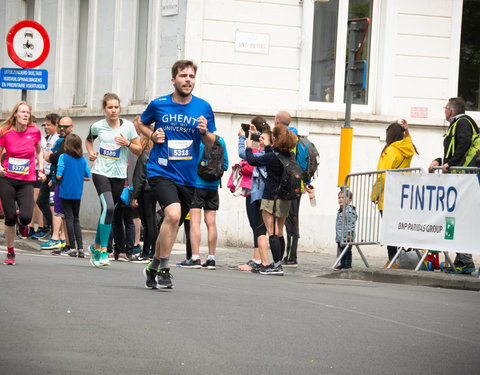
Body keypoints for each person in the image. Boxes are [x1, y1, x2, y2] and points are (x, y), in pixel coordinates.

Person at [139, 59, 216, 289]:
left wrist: (204, 131)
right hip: (160, 169)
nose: (188, 80)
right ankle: (164, 268)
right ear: (174, 80)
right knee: (172, 215)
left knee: (172, 224)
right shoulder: (159, 104)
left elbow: (211, 141)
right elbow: (140, 123)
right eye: (183, 76)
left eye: (191, 76)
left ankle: (152, 267)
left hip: (188, 176)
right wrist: (152, 135)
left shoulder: (203, 107)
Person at [85, 93, 142, 267]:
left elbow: (139, 150)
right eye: (110, 107)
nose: (113, 110)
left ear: (120, 108)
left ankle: (95, 247)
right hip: (101, 173)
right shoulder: (97, 126)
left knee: (108, 211)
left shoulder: (128, 127)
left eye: (116, 107)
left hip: (119, 176)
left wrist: (127, 143)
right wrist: (92, 152)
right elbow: (88, 140)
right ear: (104, 109)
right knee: (109, 207)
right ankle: (103, 250)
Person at [428, 97, 477, 274]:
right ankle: (462, 260)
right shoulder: (457, 124)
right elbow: (454, 151)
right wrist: (440, 161)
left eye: (445, 108)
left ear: (451, 110)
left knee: (458, 220)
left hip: (465, 179)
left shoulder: (462, 122)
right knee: (455, 220)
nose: (444, 111)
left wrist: (452, 162)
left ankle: (465, 261)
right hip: (460, 177)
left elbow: (463, 144)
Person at [245, 125, 298, 275]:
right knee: (279, 231)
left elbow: (252, 160)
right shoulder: (288, 155)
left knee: (272, 231)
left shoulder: (272, 156)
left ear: (274, 139)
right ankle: (278, 263)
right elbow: (271, 154)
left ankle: (276, 266)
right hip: (285, 197)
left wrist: (249, 147)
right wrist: (266, 144)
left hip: (271, 196)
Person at [0, 102, 46, 265]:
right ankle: (11, 253)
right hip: (7, 179)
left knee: (26, 217)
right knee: (9, 217)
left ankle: (22, 221)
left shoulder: (34, 131)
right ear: (15, 115)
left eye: (28, 112)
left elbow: (39, 152)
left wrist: (41, 170)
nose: (26, 115)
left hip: (26, 180)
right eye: (23, 112)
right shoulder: (5, 131)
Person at [372, 119, 418, 268]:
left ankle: (392, 259)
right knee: (399, 229)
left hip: (388, 196)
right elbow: (409, 144)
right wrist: (408, 131)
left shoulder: (390, 150)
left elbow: (382, 175)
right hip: (402, 196)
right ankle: (399, 258)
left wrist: (375, 195)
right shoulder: (407, 149)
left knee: (389, 230)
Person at [180, 135, 228, 269]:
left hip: (196, 185)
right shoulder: (220, 140)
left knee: (195, 221)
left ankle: (195, 257)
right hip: (213, 186)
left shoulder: (197, 140)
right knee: (211, 222)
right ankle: (211, 258)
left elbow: (189, 163)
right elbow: (225, 165)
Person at [237, 118, 271, 272]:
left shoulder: (260, 148)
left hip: (256, 190)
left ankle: (258, 259)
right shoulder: (267, 148)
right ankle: (260, 258)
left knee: (257, 226)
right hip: (262, 190)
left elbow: (243, 154)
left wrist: (242, 138)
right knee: (262, 227)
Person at [41, 116, 75, 253]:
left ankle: (59, 239)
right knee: (57, 209)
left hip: (65, 182)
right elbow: (48, 157)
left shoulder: (72, 141)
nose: (62, 129)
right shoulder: (59, 141)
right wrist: (54, 156)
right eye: (60, 126)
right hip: (55, 179)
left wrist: (55, 156)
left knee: (60, 211)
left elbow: (55, 157)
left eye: (65, 127)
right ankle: (62, 240)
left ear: (71, 127)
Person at [55, 134, 91, 258]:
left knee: (68, 218)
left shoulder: (63, 157)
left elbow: (59, 175)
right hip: (77, 192)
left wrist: (60, 175)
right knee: (76, 219)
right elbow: (88, 176)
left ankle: (71, 247)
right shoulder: (82, 159)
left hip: (65, 191)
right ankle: (80, 248)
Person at [33, 113, 60, 240]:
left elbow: (56, 159)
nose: (46, 127)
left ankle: (55, 231)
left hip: (52, 176)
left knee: (52, 204)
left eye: (49, 125)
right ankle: (52, 227)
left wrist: (52, 177)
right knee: (40, 201)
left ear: (56, 125)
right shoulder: (49, 138)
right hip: (47, 174)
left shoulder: (57, 139)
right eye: (45, 125)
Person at [132, 130, 157, 262]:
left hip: (145, 192)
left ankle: (146, 252)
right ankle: (153, 251)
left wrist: (135, 196)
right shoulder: (155, 155)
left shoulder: (144, 155)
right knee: (152, 222)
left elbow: (139, 177)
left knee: (147, 223)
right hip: (154, 190)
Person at [335, 189, 356, 270]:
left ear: (350, 200)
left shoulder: (349, 211)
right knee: (341, 250)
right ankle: (342, 264)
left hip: (347, 236)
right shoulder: (340, 211)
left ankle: (348, 264)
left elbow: (351, 224)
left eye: (343, 197)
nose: (340, 199)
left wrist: (349, 234)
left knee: (347, 251)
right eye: (339, 197)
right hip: (340, 236)